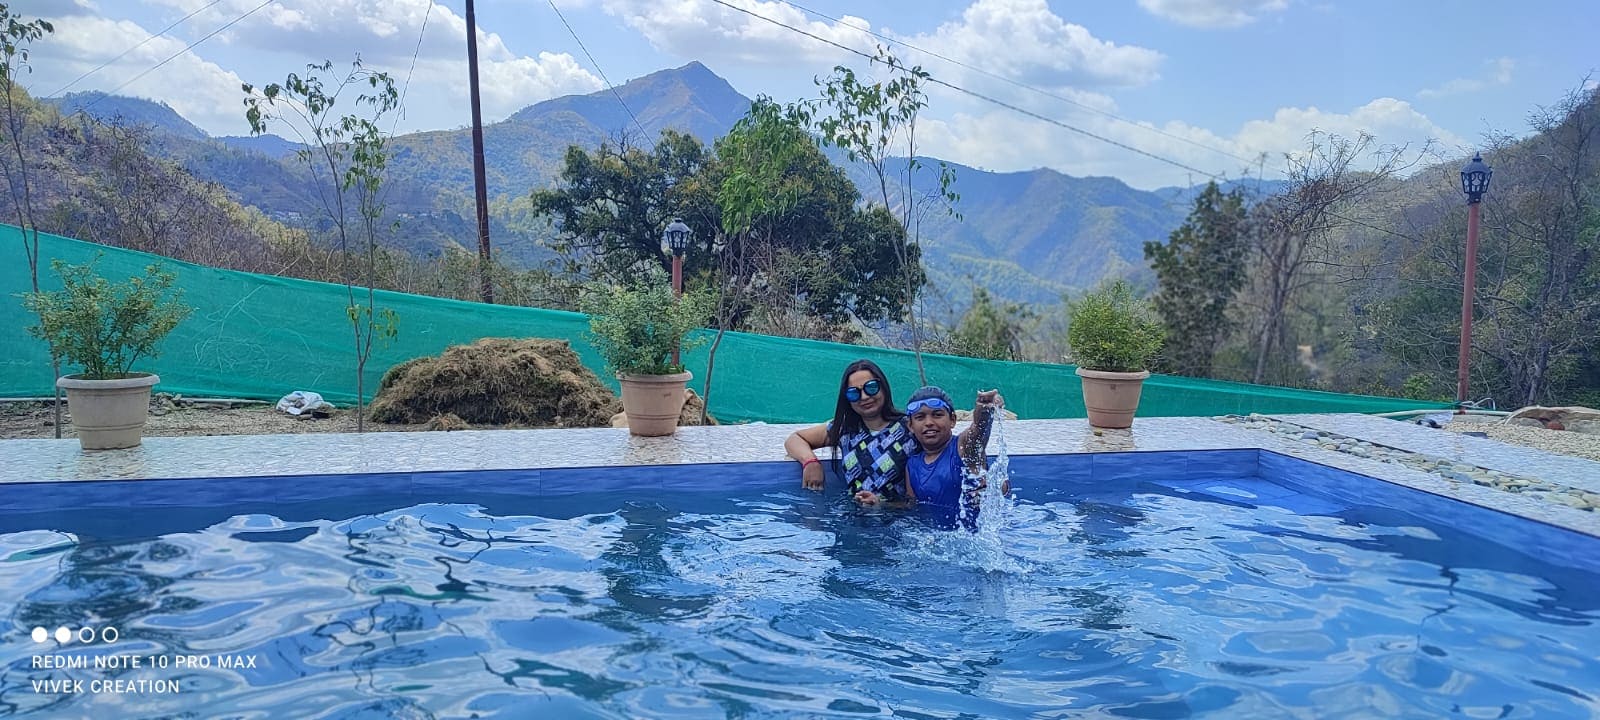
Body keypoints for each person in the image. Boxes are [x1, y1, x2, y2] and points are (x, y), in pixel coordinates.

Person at [784, 359, 914, 502]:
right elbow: (794, 439)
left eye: (871, 387)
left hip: (897, 518)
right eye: (854, 393)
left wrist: (881, 504)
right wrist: (810, 462)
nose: (864, 397)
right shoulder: (846, 429)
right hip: (853, 517)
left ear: (883, 387)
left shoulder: (909, 428)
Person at [899, 385, 1007, 529]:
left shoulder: (962, 448)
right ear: (911, 426)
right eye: (920, 417)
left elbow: (978, 431)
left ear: (953, 420)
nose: (929, 422)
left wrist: (984, 411)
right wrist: (878, 504)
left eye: (937, 414)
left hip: (974, 538)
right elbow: (912, 506)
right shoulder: (912, 465)